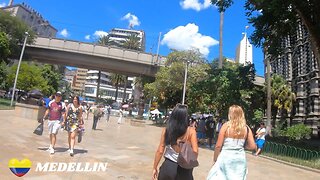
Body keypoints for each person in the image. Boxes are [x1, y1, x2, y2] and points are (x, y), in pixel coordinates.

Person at [207, 105, 256, 180]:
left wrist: (215, 159)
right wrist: (243, 146)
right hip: (240, 159)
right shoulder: (246, 128)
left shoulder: (226, 126)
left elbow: (218, 146)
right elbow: (253, 146)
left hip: (226, 157)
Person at [152, 104, 198, 180]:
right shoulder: (191, 131)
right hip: (184, 169)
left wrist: (154, 167)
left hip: (168, 167)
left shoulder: (167, 130)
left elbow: (160, 151)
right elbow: (195, 151)